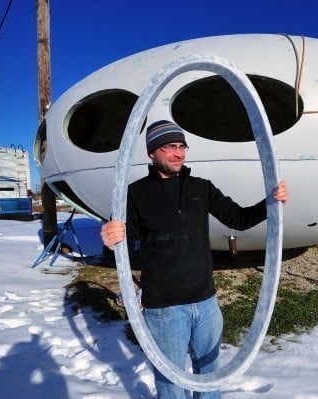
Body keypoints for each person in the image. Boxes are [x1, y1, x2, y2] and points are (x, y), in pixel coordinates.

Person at [101, 120, 288, 399]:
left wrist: (270, 202)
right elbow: (123, 249)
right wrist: (110, 238)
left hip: (206, 302)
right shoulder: (136, 195)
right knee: (171, 381)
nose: (178, 153)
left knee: (210, 376)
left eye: (181, 147)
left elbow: (237, 218)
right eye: (169, 147)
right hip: (164, 309)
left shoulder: (201, 188)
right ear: (152, 153)